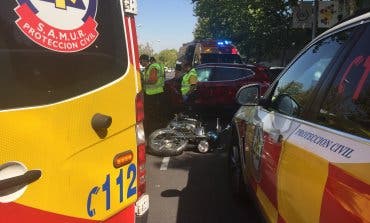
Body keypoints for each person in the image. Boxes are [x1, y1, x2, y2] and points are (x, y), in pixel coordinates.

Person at [139, 54, 165, 134]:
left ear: (144, 60)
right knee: (155, 114)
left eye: (140, 61)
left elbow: (153, 80)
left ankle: (153, 131)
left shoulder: (153, 67)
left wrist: (142, 82)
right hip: (156, 93)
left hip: (153, 94)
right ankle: (155, 130)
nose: (140, 63)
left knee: (152, 114)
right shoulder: (151, 67)